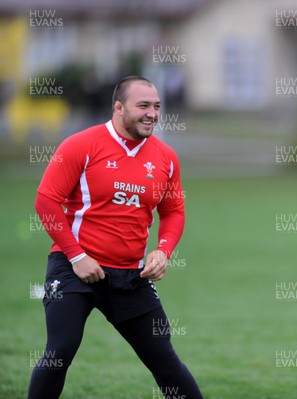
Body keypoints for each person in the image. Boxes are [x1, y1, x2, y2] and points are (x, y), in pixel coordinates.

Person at [29, 76, 203, 399]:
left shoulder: (165, 158)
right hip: (74, 268)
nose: (152, 113)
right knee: (60, 351)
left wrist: (163, 251)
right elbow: (46, 201)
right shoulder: (81, 145)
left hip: (131, 275)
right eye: (143, 106)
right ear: (118, 108)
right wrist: (77, 256)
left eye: (157, 107)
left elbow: (173, 212)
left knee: (165, 360)